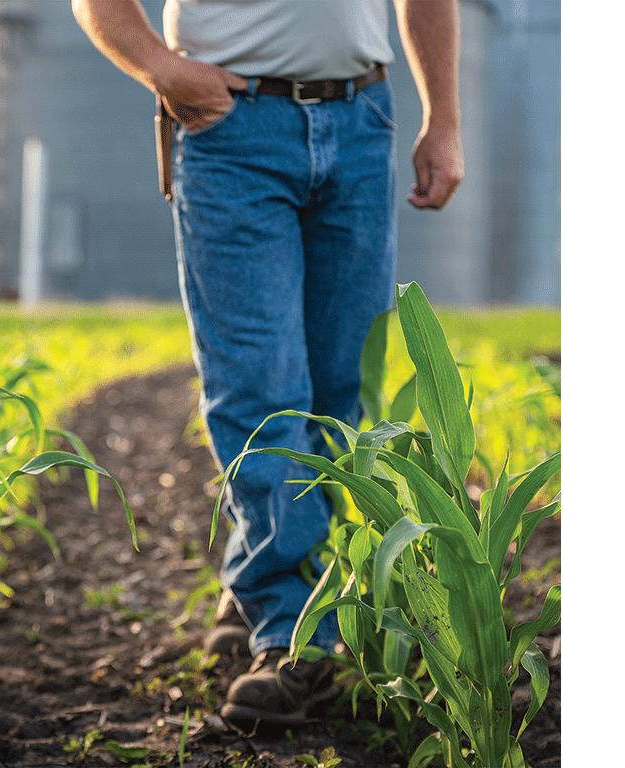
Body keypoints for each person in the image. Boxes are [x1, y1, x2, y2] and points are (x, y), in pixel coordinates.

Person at [72, 0, 463, 731]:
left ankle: (257, 575)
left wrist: (443, 116)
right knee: (262, 389)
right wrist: (164, 70)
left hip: (360, 120)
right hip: (231, 131)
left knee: (341, 392)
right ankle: (296, 633)